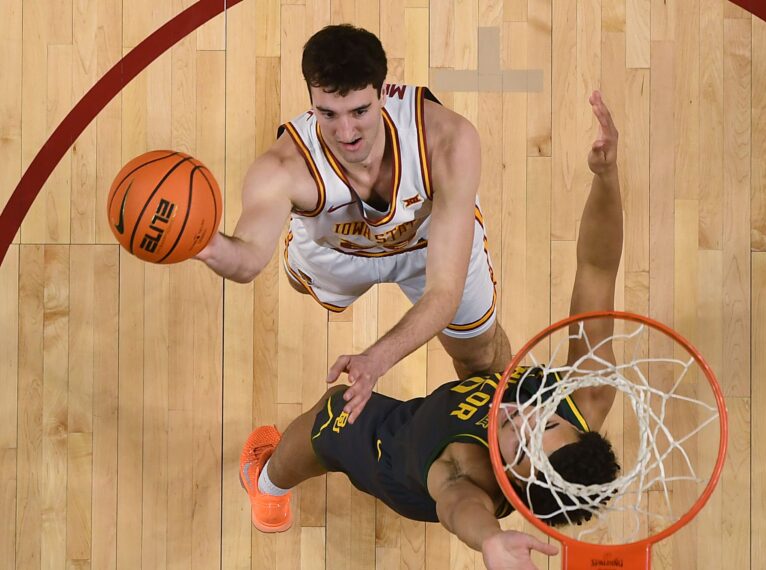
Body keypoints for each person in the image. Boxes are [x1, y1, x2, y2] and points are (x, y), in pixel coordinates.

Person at [238, 92, 624, 569]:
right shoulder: (588, 395)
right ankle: (480, 383)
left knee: (329, 417)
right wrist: (605, 178)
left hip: (393, 447)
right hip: (469, 397)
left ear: (511, 484)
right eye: (548, 423)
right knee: (487, 357)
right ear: (577, 425)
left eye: (521, 446)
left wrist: (490, 542)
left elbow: (461, 512)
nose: (524, 417)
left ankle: (267, 483)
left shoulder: (460, 472)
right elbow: (597, 270)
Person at [196, 24, 512, 423]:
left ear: (382, 93)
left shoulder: (448, 141)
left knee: (480, 353)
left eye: (360, 111)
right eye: (327, 113)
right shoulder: (283, 168)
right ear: (311, 101)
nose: (346, 133)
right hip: (337, 251)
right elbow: (246, 261)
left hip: (427, 244)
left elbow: (444, 293)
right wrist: (202, 243)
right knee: (298, 280)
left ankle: (505, 430)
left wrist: (376, 359)